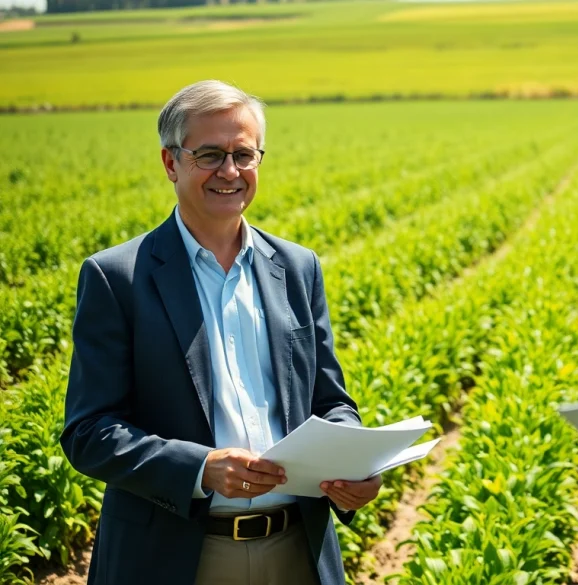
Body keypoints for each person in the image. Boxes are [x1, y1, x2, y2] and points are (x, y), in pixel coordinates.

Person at [60, 80, 382, 585]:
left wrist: (356, 464)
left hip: (297, 549)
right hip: (176, 557)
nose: (230, 172)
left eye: (244, 154)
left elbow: (329, 398)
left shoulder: (297, 267)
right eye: (209, 155)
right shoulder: (116, 277)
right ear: (171, 163)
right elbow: (89, 432)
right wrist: (200, 467)